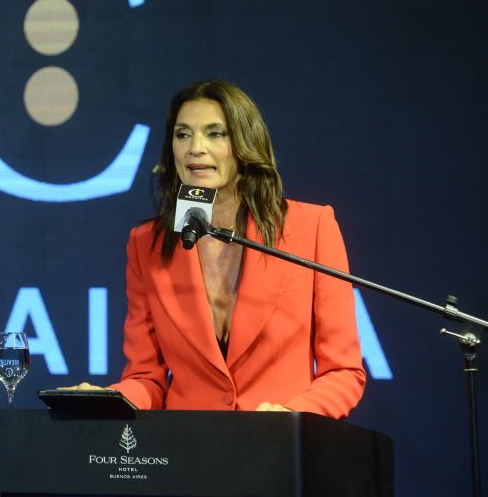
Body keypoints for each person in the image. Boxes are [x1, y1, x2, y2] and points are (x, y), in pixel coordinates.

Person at [65, 79, 365, 419]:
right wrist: (109, 397)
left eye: (215, 133)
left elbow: (343, 372)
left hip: (281, 450)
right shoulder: (147, 244)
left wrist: (291, 414)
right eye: (182, 134)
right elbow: (146, 378)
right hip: (191, 454)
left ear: (244, 144)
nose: (195, 147)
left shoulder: (311, 227)